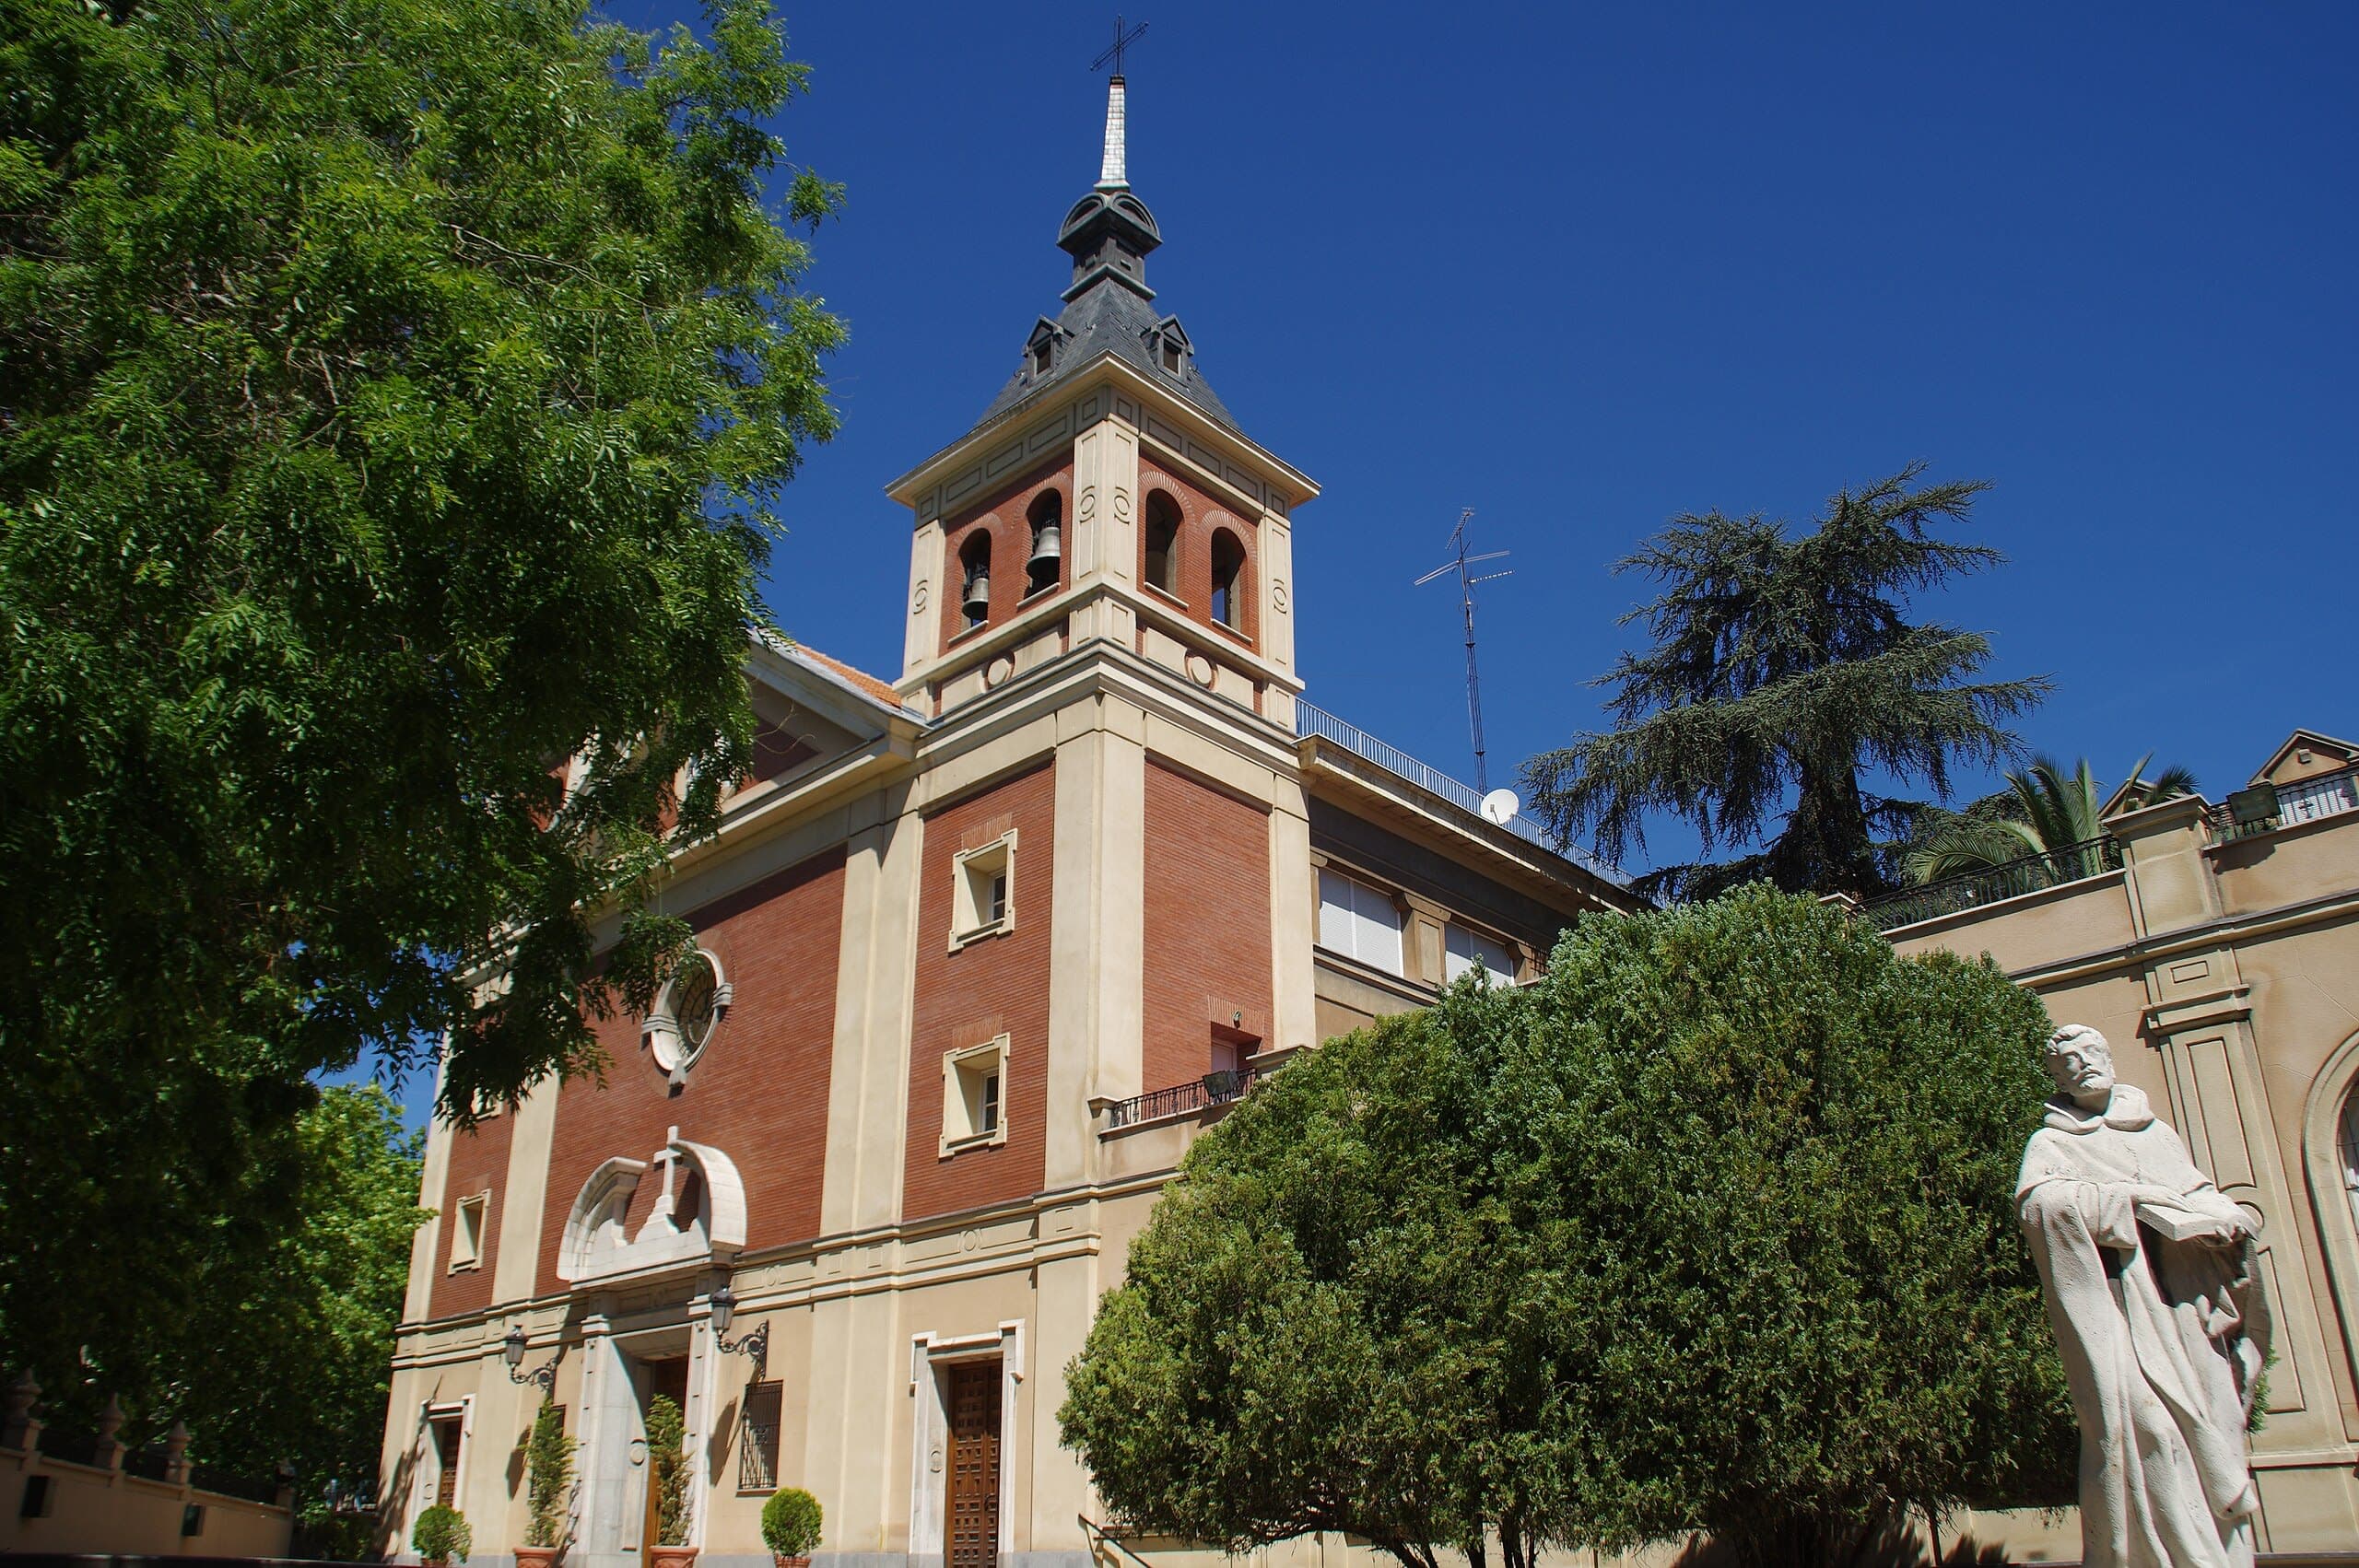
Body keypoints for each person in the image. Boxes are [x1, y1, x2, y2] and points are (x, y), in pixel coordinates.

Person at [2018, 1024, 2269, 1568]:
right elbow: (2039, 1207)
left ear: (2107, 1055)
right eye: (2067, 1064)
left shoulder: (2156, 1133)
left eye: (2088, 1054)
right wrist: (2127, 1200)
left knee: (2218, 1427)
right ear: (2057, 1079)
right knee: (2147, 1427)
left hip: (2184, 1312)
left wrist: (2226, 1215)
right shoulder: (2052, 1142)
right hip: (2120, 1316)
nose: (2081, 1066)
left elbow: (2196, 1189)